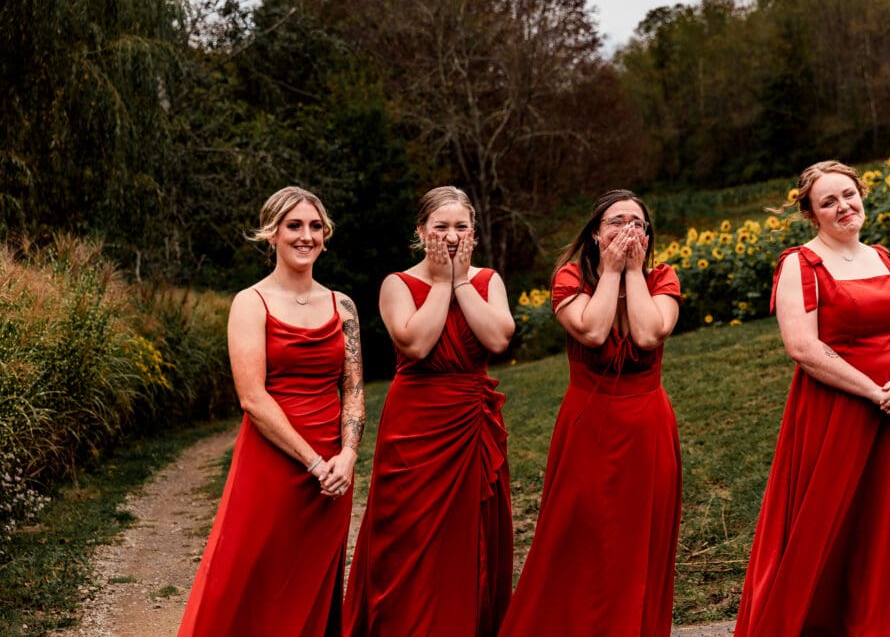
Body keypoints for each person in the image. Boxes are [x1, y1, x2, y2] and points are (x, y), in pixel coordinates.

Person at [733, 161, 890, 636]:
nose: (843, 207)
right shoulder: (800, 263)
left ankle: (870, 623)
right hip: (836, 414)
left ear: (862, 194)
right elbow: (803, 347)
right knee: (825, 524)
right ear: (812, 214)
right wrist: (875, 391)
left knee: (876, 525)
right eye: (828, 202)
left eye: (848, 195)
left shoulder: (883, 258)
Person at [179, 186, 364, 636]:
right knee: (246, 578)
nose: (306, 236)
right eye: (294, 226)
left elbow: (355, 389)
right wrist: (315, 462)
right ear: (271, 235)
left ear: (326, 234)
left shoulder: (343, 305)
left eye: (315, 226)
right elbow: (253, 398)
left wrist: (348, 455)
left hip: (333, 471)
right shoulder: (250, 302)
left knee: (310, 584)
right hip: (272, 463)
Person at [499, 189, 682, 637]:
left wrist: (633, 273)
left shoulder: (662, 278)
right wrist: (613, 274)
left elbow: (647, 334)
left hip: (647, 426)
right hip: (588, 423)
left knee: (641, 537)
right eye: (616, 221)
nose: (628, 230)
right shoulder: (569, 279)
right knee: (576, 535)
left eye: (637, 223)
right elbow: (594, 331)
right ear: (597, 234)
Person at [343, 186, 516, 636]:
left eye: (461, 227)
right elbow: (416, 343)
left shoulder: (488, 281)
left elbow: (498, 340)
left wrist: (459, 282)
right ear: (421, 232)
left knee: (469, 540)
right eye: (441, 227)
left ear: (474, 233)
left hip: (471, 422)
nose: (452, 236)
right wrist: (441, 284)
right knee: (408, 538)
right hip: (415, 427)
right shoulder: (397, 285)